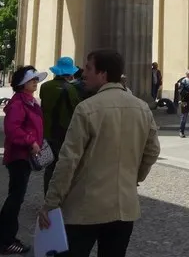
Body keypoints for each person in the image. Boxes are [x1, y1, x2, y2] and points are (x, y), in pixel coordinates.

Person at [40, 49, 161, 257]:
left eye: (88, 68)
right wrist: (135, 177)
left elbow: (68, 161)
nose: (83, 73)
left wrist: (51, 202)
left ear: (103, 74)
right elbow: (153, 150)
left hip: (85, 208)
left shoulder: (86, 108)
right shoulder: (142, 108)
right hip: (124, 208)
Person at [0, 66, 47, 255]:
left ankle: (1, 237)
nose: (35, 82)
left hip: (25, 156)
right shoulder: (18, 103)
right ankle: (6, 240)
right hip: (19, 156)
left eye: (35, 79)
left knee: (15, 197)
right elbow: (12, 130)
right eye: (32, 80)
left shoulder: (29, 101)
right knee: (15, 199)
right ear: (22, 84)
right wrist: (31, 141)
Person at [40, 55, 81, 194]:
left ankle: (47, 194)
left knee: (50, 166)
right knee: (64, 165)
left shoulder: (45, 86)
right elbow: (76, 109)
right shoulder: (70, 89)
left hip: (47, 130)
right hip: (63, 131)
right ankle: (60, 195)